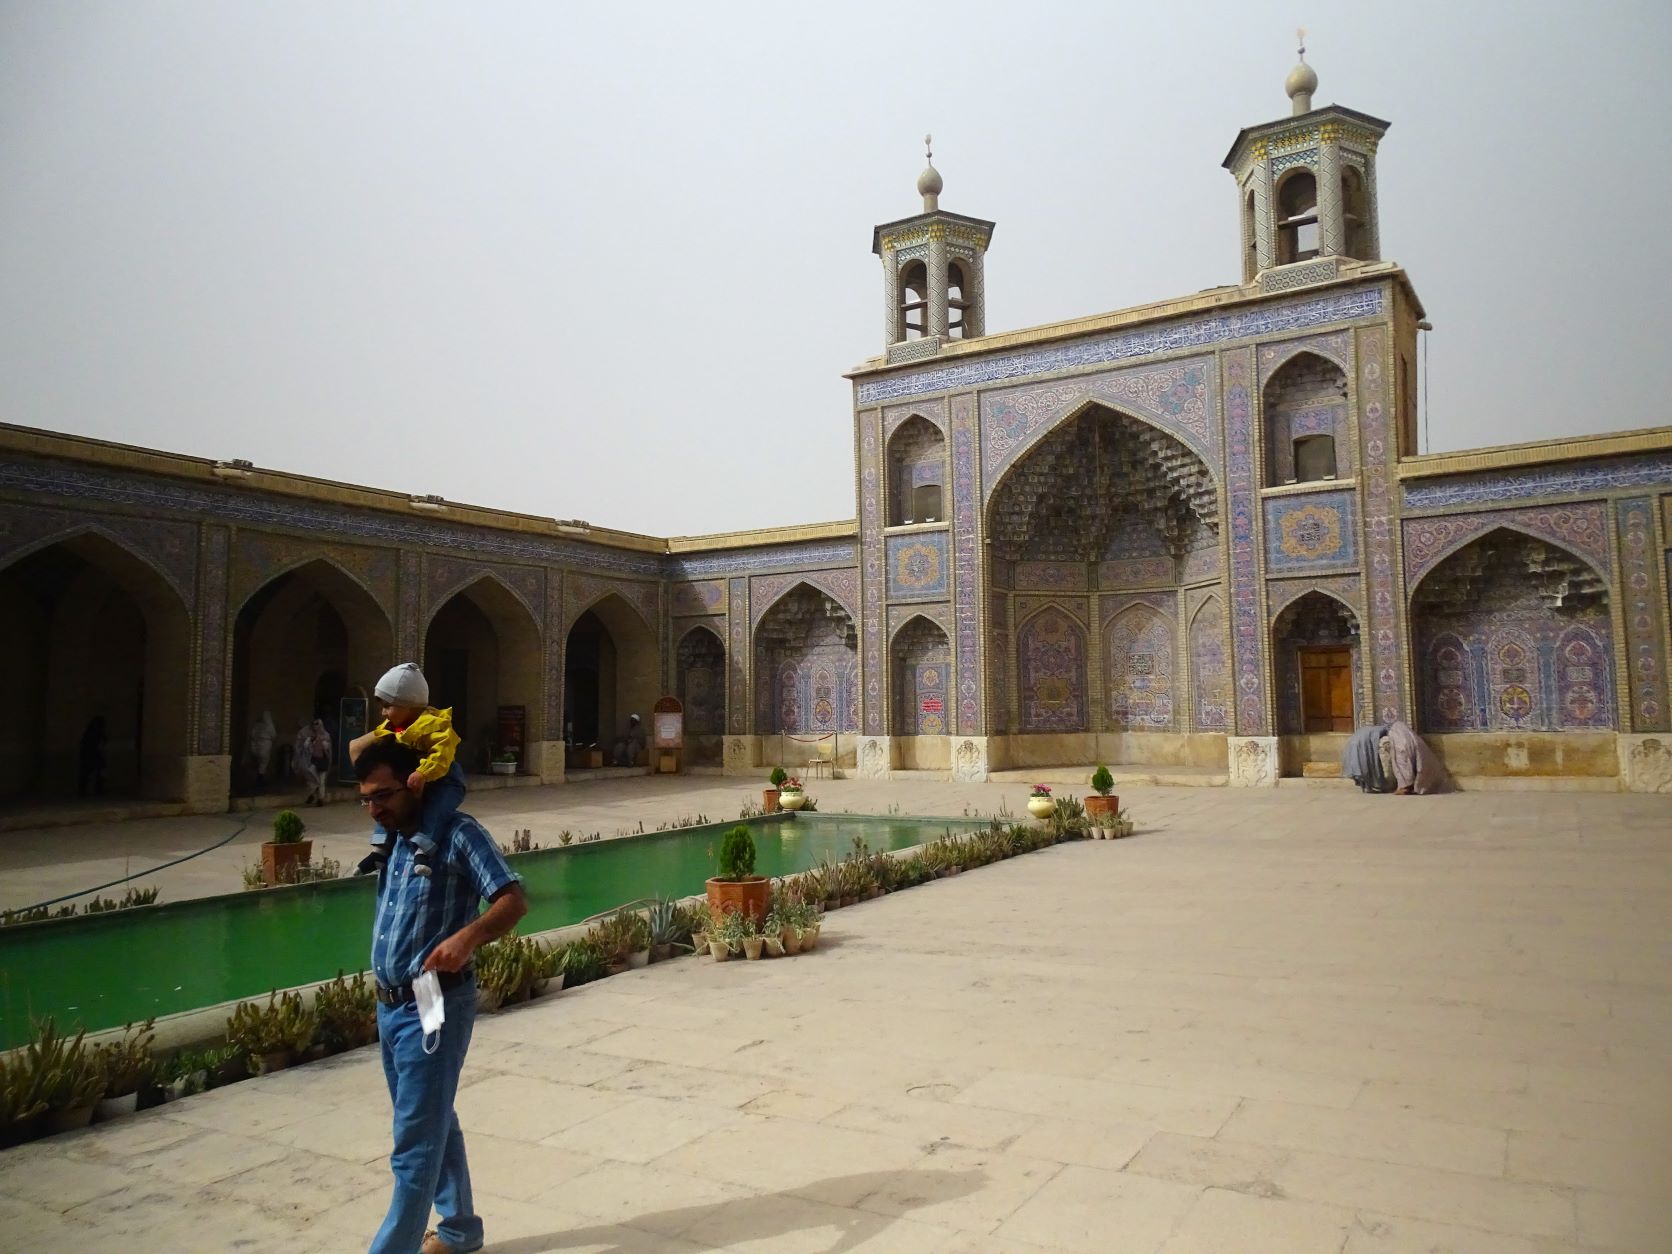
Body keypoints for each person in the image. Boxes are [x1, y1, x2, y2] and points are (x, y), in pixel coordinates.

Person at [355, 737, 526, 1254]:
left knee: (413, 1144)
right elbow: (359, 748)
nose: (373, 807)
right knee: (433, 1119)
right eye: (365, 798)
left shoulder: (457, 835)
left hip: (433, 1002)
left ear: (415, 784)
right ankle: (458, 1230)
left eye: (382, 795)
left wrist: (466, 937)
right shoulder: (395, 838)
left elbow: (513, 900)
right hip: (392, 1007)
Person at [350, 663, 464, 879]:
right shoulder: (394, 726)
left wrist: (423, 772)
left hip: (443, 779)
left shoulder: (434, 725)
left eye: (388, 706)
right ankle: (380, 850)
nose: (383, 712)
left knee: (435, 810)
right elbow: (370, 745)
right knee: (388, 805)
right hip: (414, 777)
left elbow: (442, 755)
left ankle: (423, 850)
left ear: (408, 705)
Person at [1386, 719, 1450, 795]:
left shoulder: (1395, 732)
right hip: (1412, 747)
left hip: (1401, 747)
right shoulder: (1410, 735)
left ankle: (1404, 787)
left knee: (1401, 765)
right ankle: (1411, 786)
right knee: (1413, 764)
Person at [1341, 722, 1391, 793]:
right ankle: (1368, 787)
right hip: (1362, 747)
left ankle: (1365, 787)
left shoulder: (1368, 729)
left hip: (1353, 745)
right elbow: (1374, 741)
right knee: (1366, 766)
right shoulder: (1380, 730)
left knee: (1359, 767)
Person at [293, 717, 333, 806]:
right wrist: (310, 742)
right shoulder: (309, 736)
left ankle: (320, 799)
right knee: (312, 779)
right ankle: (311, 795)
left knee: (321, 781)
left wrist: (323, 743)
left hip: (323, 761)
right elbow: (305, 748)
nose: (316, 727)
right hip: (312, 761)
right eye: (314, 724)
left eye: (317, 724)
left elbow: (328, 749)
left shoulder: (326, 736)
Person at [77, 716, 107, 796]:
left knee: (94, 773)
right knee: (89, 773)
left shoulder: (92, 732)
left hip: (93, 755)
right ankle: (93, 789)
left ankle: (95, 789)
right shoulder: (93, 733)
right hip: (92, 755)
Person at [247, 710, 277, 791]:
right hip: (265, 745)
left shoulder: (256, 725)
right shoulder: (269, 726)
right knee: (264, 762)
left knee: (259, 762)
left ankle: (258, 778)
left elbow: (252, 735)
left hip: (256, 744)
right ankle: (260, 779)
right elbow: (273, 735)